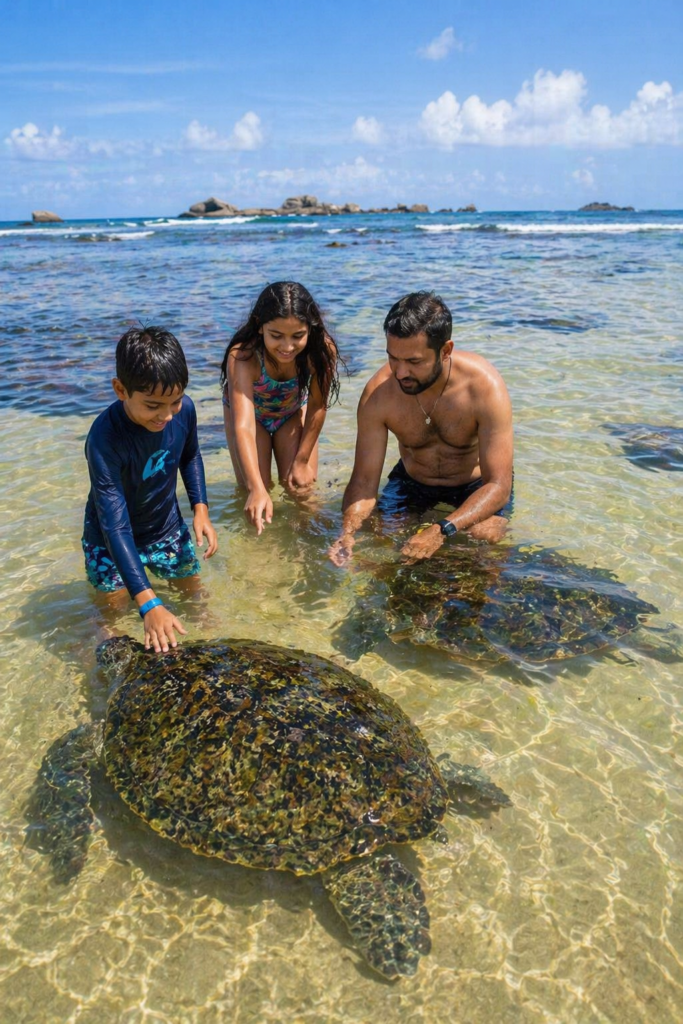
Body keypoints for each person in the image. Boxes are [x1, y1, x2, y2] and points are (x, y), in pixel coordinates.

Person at [329, 291, 513, 566]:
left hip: (475, 486)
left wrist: (441, 529)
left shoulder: (483, 387)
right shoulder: (379, 395)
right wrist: (347, 534)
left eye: (414, 362)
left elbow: (498, 484)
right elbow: (364, 483)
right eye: (393, 358)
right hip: (413, 482)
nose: (400, 372)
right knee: (379, 538)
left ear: (445, 351)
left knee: (484, 536)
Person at [82, 326, 218, 653]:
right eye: (153, 405)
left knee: (196, 602)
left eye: (175, 401)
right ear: (120, 389)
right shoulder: (104, 440)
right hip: (110, 540)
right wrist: (148, 603)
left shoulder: (184, 411)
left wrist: (200, 510)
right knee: (110, 618)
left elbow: (190, 455)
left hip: (165, 528)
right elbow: (115, 526)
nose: (166, 416)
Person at [220, 281, 341, 534]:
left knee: (302, 490)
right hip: (250, 419)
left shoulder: (320, 350)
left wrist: (302, 460)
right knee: (256, 493)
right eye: (276, 336)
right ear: (260, 326)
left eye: (297, 336)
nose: (287, 347)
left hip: (290, 414)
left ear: (310, 328)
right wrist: (255, 488)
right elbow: (244, 426)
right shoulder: (243, 356)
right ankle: (260, 554)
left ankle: (311, 547)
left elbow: (317, 406)